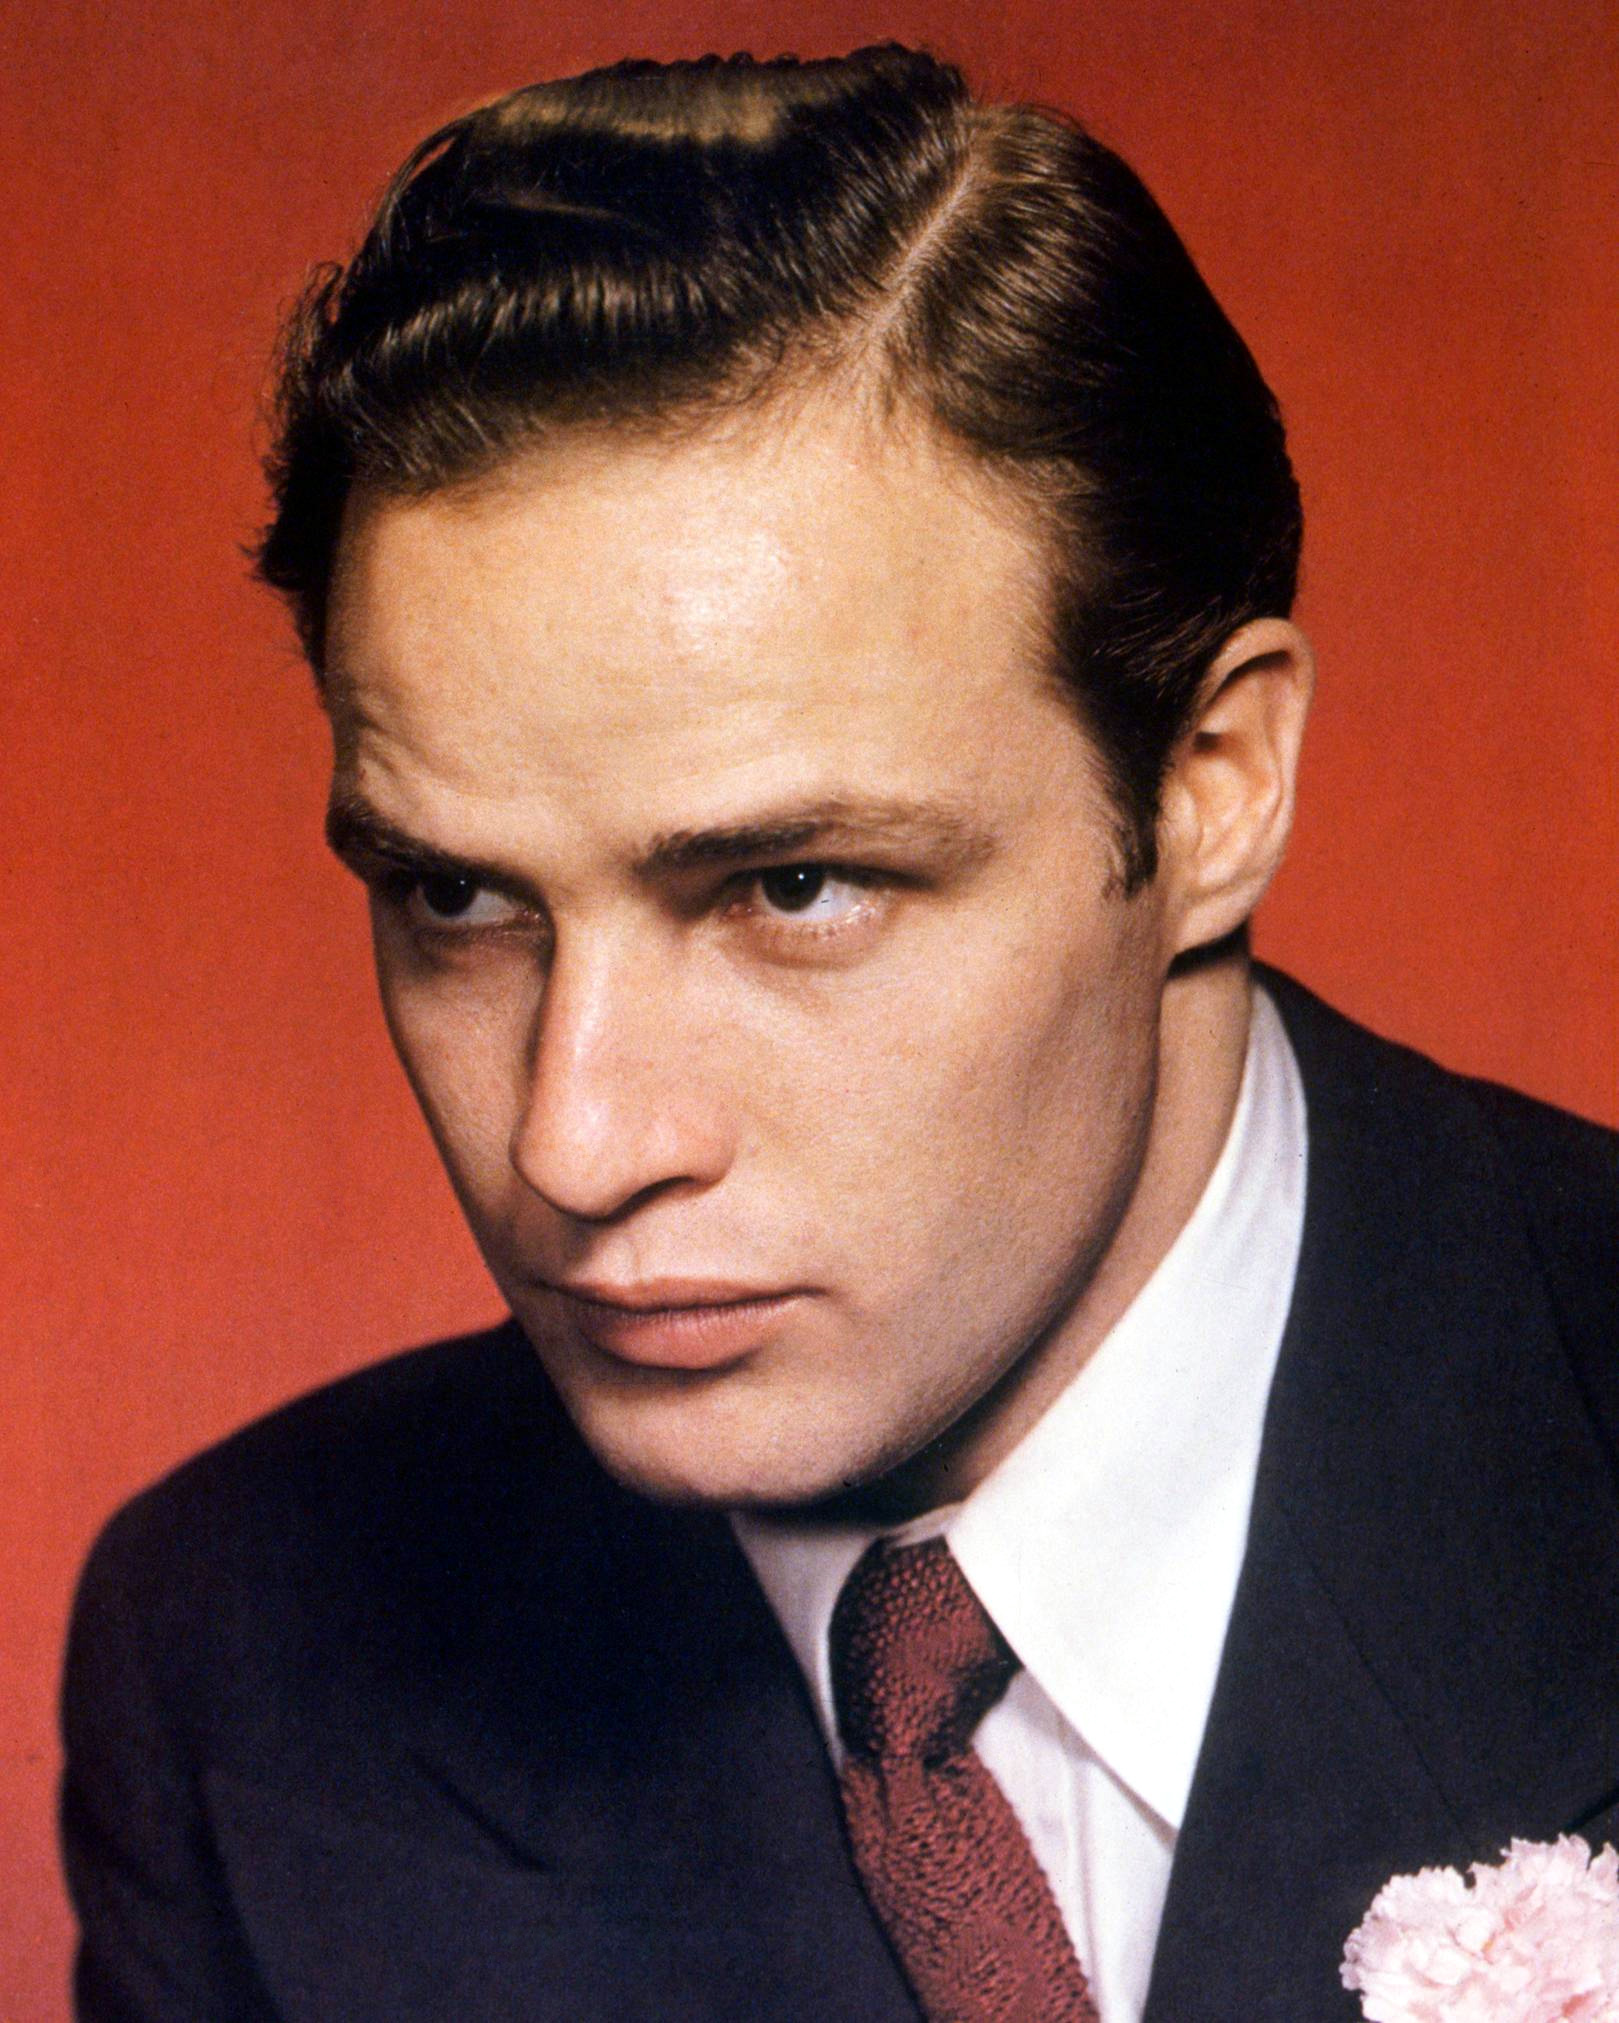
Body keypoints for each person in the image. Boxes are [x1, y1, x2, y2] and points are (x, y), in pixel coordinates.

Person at [60, 45, 1618, 2023]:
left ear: (1213, 788)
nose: (574, 1139)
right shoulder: (245, 1661)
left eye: (795, 886)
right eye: (457, 898)